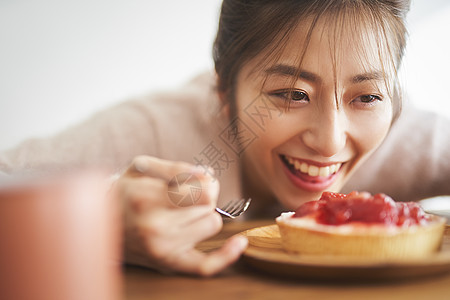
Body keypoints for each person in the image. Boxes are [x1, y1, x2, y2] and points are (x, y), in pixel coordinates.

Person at [1, 0, 450, 276]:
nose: (330, 142)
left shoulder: (402, 133)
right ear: (224, 92)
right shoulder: (158, 130)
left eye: (367, 96)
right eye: (293, 93)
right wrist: (97, 221)